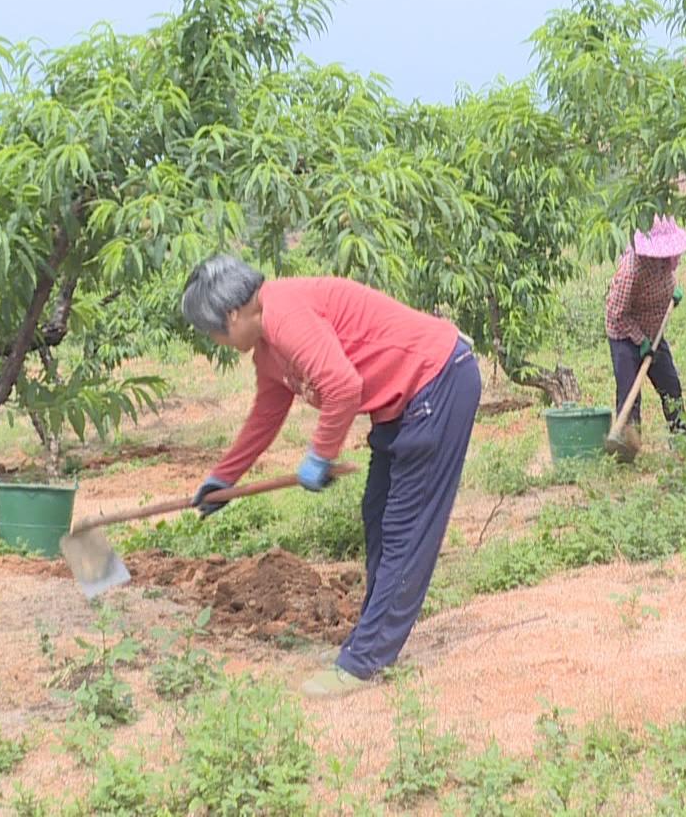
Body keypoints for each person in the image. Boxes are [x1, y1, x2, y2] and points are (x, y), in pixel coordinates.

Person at [180, 255, 480, 697]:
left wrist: (320, 456)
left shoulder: (285, 315)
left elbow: (341, 385)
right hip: (403, 403)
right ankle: (369, 643)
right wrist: (224, 479)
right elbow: (267, 412)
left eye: (213, 332)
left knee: (403, 530)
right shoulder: (267, 346)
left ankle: (364, 661)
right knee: (378, 514)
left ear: (232, 314)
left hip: (437, 381)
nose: (216, 341)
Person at [606, 215, 686, 442]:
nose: (675, 259)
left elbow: (665, 285)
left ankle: (682, 438)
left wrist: (673, 297)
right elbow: (616, 314)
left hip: (654, 333)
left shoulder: (665, 263)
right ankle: (627, 445)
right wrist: (639, 339)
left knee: (670, 385)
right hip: (624, 335)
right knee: (630, 394)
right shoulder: (631, 270)